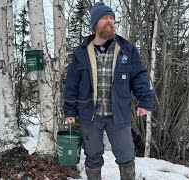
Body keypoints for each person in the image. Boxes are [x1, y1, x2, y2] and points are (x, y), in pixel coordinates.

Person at [63, 2, 155, 180]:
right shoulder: (81, 52)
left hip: (118, 113)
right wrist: (69, 110)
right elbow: (72, 83)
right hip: (90, 115)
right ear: (95, 23)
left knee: (126, 156)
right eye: (105, 18)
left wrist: (145, 101)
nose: (109, 21)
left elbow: (139, 76)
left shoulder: (126, 49)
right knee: (93, 157)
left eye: (112, 18)